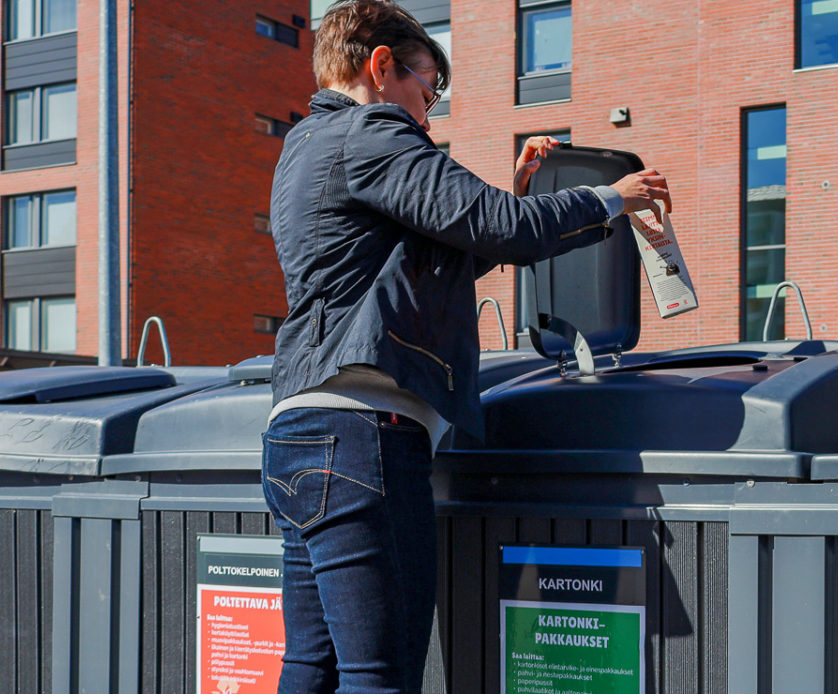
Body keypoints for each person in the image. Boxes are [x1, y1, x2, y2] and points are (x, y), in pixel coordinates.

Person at [259, 1, 670, 692]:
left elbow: (413, 269)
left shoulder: (303, 148)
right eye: (427, 92)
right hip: (366, 439)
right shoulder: (373, 132)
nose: (428, 116)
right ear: (380, 66)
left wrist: (512, 195)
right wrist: (610, 197)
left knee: (313, 665)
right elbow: (500, 226)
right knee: (378, 678)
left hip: (299, 432)